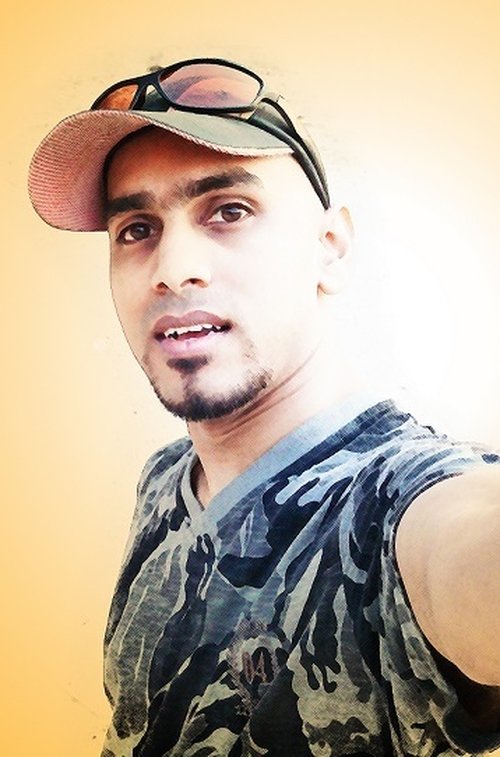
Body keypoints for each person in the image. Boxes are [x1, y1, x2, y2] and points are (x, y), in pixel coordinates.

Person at [29, 58, 500, 757]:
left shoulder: (397, 505)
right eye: (137, 229)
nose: (173, 269)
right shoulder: (166, 478)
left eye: (229, 211)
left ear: (330, 249)